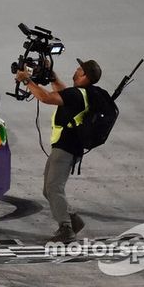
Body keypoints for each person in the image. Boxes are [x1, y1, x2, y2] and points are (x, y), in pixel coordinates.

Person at [15, 58, 102, 243]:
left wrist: (26, 81)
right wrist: (53, 77)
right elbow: (63, 92)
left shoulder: (77, 94)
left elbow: (46, 97)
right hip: (68, 147)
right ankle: (73, 220)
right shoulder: (83, 93)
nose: (76, 70)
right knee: (48, 190)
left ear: (84, 75)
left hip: (66, 148)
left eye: (79, 69)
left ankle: (66, 229)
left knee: (54, 188)